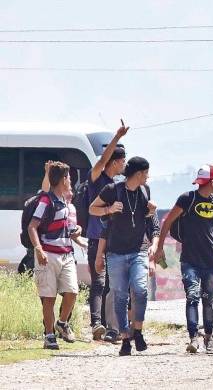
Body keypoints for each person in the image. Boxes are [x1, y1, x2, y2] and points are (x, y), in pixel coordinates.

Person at [154, 164, 213, 354]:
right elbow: (168, 221)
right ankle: (193, 338)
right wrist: (160, 247)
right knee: (192, 297)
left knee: (208, 299)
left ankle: (209, 338)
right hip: (189, 260)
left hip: (211, 261)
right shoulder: (187, 199)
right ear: (212, 181)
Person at [89, 156, 158, 356]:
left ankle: (138, 330)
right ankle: (126, 339)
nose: (148, 176)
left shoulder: (145, 191)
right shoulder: (113, 190)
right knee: (120, 296)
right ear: (139, 173)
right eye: (146, 173)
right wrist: (109, 209)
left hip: (138, 251)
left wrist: (150, 212)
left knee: (141, 290)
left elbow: (146, 219)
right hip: (115, 253)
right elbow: (93, 209)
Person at [27, 161, 81, 350]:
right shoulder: (46, 201)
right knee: (48, 297)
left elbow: (63, 227)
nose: (70, 180)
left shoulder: (65, 201)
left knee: (72, 292)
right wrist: (39, 249)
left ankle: (62, 323)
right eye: (68, 177)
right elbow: (32, 226)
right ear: (62, 179)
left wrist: (75, 231)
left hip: (66, 255)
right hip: (48, 254)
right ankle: (49, 335)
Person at [85, 121, 128, 340]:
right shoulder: (97, 178)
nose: (124, 164)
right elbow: (102, 160)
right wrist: (117, 137)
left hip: (113, 241)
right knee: (99, 282)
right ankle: (95, 324)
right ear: (114, 161)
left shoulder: (117, 185)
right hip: (95, 238)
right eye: (122, 160)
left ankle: (109, 328)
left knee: (112, 284)